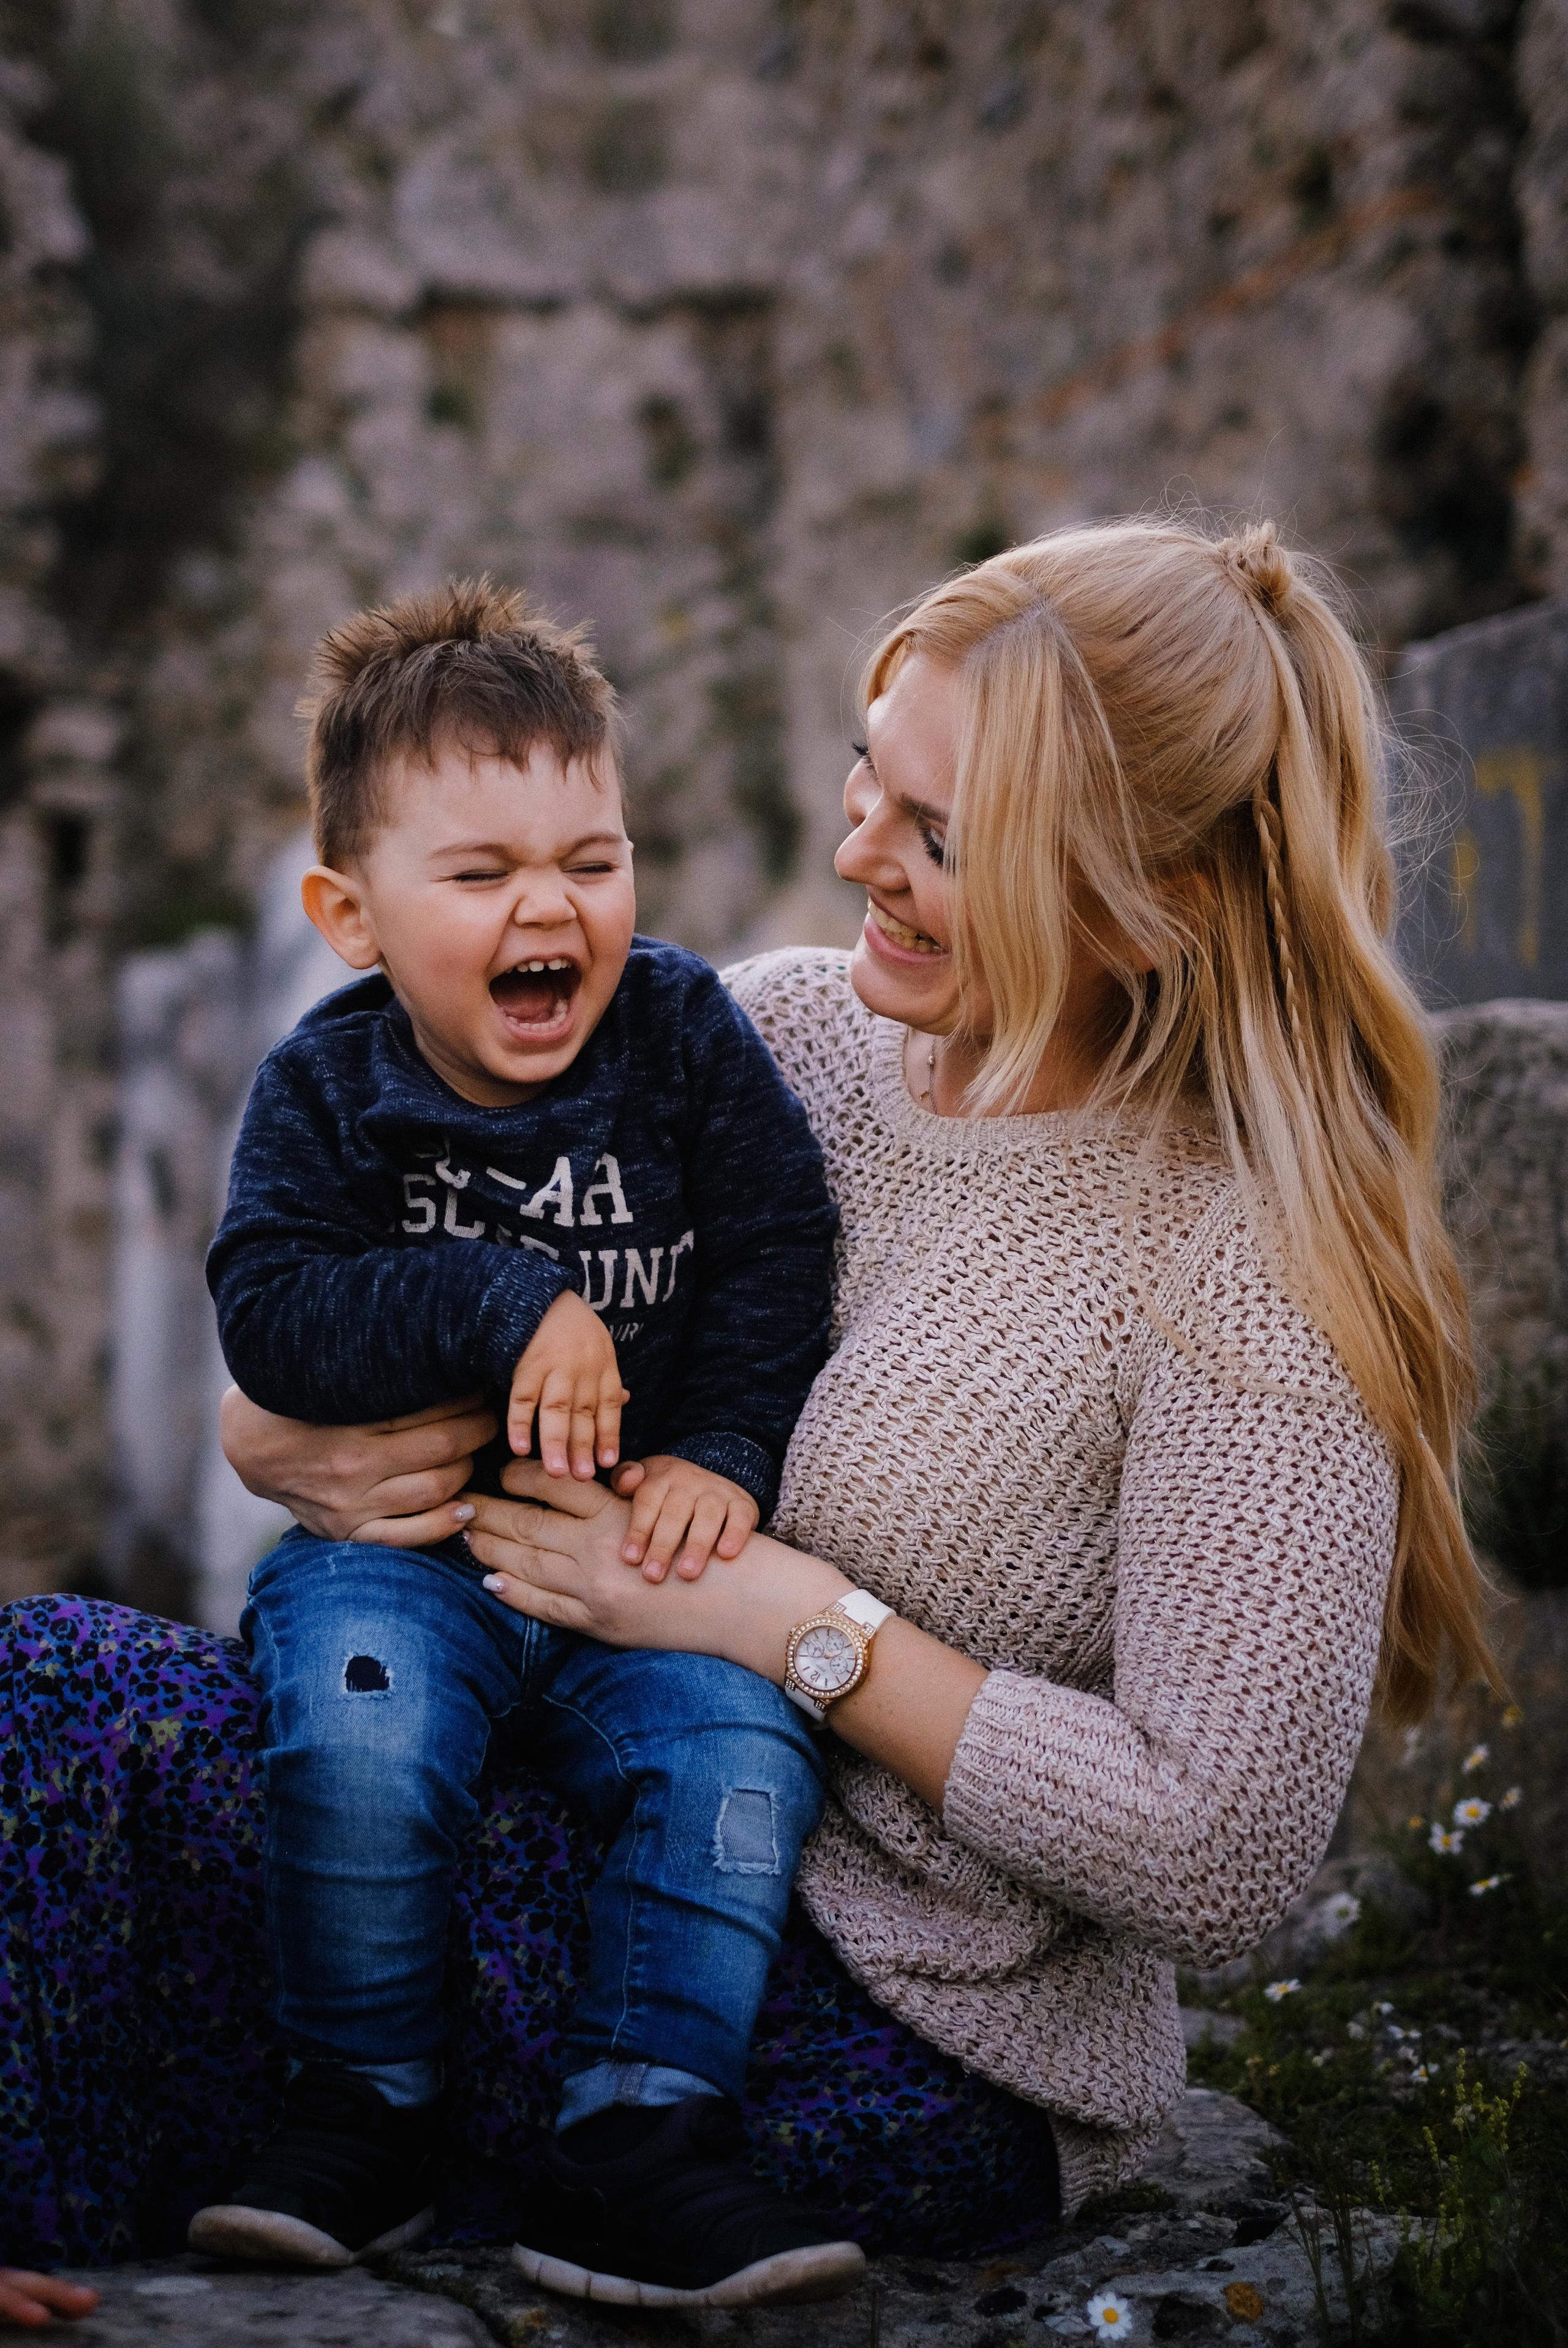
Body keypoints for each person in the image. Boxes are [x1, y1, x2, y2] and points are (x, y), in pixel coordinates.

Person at [0, 516, 1491, 2309]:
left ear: (1146, 894)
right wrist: (279, 1438)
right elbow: (376, 1254)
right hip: (550, 1794)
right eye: (869, 778)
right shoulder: (772, 1038)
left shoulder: (1247, 1259)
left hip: (888, 2011)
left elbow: (1223, 1848)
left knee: (136, 1848)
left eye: (938, 837)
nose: (857, 847)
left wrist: (798, 1626)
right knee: (63, 1702)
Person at [191, 579, 856, 2306]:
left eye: (593, 856)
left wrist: (723, 1445)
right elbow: (270, 1310)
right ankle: (366, 2101)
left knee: (738, 1750)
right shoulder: (327, 1091)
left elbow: (783, 1242)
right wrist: (501, 1301)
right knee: (352, 1696)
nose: (550, 907)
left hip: (644, 1563)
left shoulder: (687, 1036)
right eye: (480, 875)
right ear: (353, 913)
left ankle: (641, 2130)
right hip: (409, 1559)